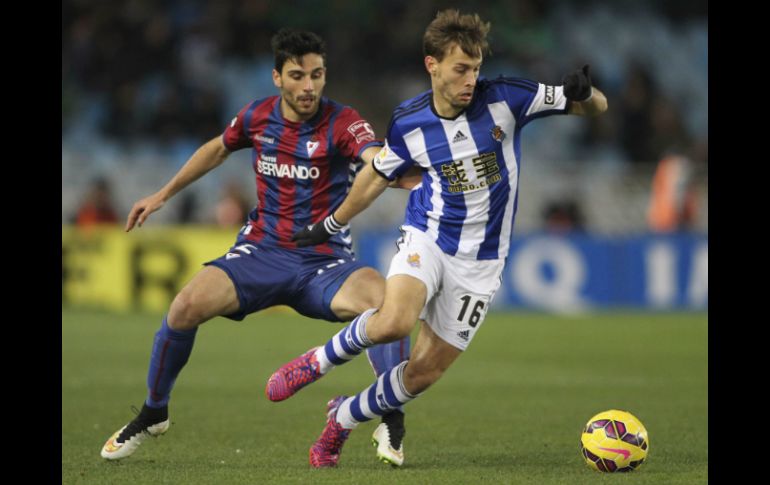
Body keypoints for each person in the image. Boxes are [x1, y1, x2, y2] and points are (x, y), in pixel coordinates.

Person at [266, 9, 608, 468]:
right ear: (432, 65)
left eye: (476, 68)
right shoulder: (409, 122)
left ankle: (343, 418)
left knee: (423, 373)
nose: (471, 79)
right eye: (460, 69)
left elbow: (594, 106)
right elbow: (375, 176)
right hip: (427, 235)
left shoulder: (507, 97)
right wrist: (331, 222)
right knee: (392, 322)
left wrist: (583, 96)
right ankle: (316, 362)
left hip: (482, 261)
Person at [100, 28, 415, 466]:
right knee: (184, 307)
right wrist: (162, 195)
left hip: (323, 260)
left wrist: (411, 177)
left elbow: (376, 161)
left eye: (317, 75)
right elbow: (216, 149)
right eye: (298, 75)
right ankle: (154, 411)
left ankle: (389, 415)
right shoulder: (257, 117)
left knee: (388, 306)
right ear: (277, 77)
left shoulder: (343, 122)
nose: (309, 86)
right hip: (261, 253)